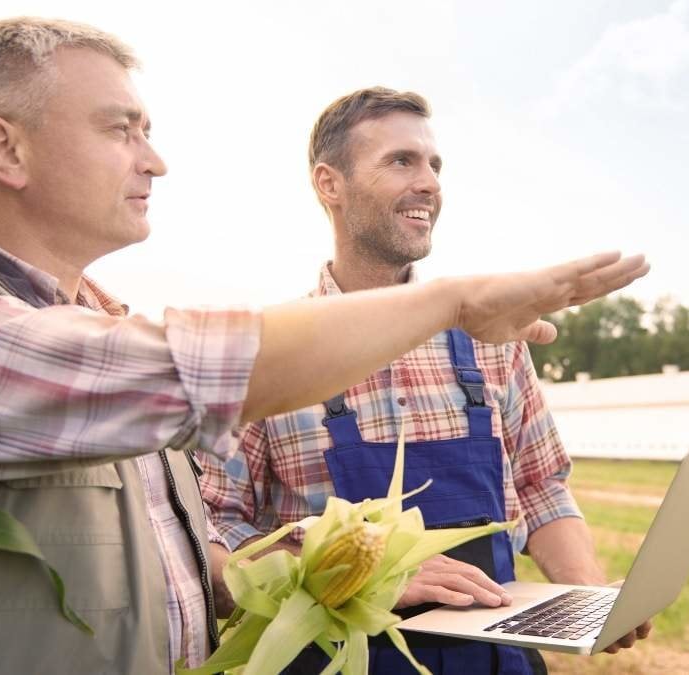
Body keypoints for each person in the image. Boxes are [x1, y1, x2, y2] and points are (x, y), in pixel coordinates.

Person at [0, 21, 649, 675]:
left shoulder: (94, 326)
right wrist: (455, 300)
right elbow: (199, 374)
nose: (156, 160)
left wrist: (357, 570)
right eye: (121, 129)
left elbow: (193, 567)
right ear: (6, 149)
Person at [199, 87, 653, 674]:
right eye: (400, 161)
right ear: (329, 184)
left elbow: (542, 486)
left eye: (434, 165)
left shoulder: (494, 340)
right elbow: (214, 523)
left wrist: (588, 596)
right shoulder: (273, 352)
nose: (430, 183)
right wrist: (353, 570)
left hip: (493, 660)